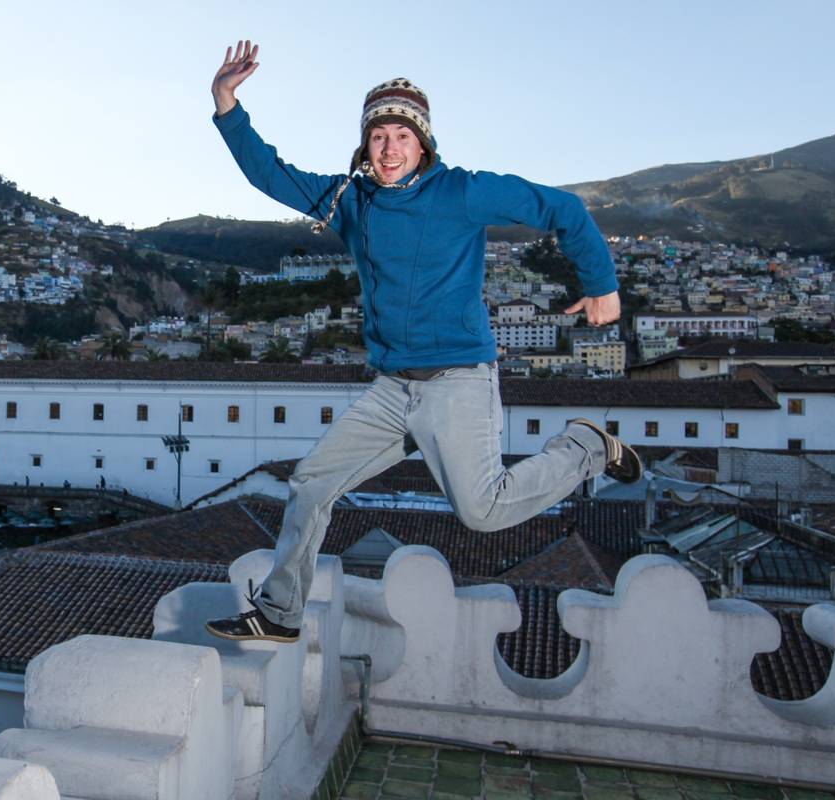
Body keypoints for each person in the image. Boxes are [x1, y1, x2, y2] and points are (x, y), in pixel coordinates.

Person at [203, 41, 641, 644]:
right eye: (378, 136)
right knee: (311, 482)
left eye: (401, 137)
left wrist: (601, 285)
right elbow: (271, 175)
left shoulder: (462, 192)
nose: (389, 149)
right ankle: (280, 614)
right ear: (365, 144)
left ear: (423, 143)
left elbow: (562, 208)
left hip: (457, 379)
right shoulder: (348, 200)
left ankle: (587, 447)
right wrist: (227, 104)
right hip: (392, 388)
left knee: (482, 512)